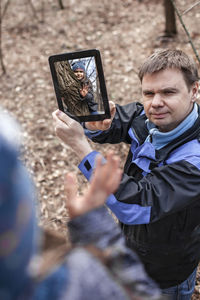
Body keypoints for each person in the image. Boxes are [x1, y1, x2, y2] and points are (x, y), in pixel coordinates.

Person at [52, 48, 200, 300]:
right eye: (148, 93)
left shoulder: (194, 159)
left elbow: (137, 205)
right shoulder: (149, 115)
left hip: (165, 273)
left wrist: (80, 146)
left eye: (168, 92)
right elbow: (122, 120)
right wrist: (96, 125)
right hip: (132, 250)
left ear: (194, 90)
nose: (156, 103)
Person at [0, 109, 162, 300]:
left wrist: (99, 127)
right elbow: (139, 293)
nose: (156, 103)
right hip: (166, 268)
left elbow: (133, 117)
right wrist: (94, 224)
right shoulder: (78, 284)